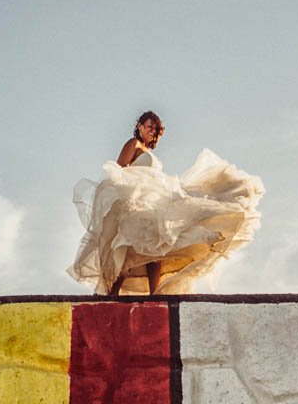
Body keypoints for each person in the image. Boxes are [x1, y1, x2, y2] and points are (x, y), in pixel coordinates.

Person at [67, 111, 264, 295]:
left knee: (158, 246)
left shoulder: (149, 152)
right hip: (135, 200)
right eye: (149, 126)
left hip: (151, 201)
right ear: (140, 126)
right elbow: (118, 170)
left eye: (155, 129)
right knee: (130, 247)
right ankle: (112, 294)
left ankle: (155, 293)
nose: (152, 131)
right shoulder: (133, 143)